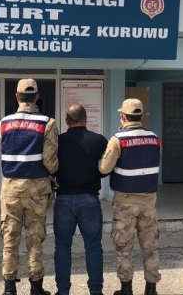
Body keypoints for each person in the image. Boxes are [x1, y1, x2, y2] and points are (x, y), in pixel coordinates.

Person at [0, 78, 59, 295]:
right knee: (35, 239)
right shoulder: (48, 123)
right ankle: (36, 288)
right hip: (37, 190)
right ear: (37, 97)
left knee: (10, 239)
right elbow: (50, 161)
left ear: (17, 97)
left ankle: (9, 289)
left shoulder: (4, 123)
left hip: (11, 189)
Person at [98, 99, 161, 295]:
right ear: (141, 116)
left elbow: (104, 168)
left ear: (123, 117)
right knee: (150, 248)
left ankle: (126, 289)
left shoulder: (118, 139)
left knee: (124, 248)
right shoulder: (154, 138)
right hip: (149, 203)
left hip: (125, 203)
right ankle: (151, 289)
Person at [53, 105, 109, 295]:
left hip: (64, 198)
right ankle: (96, 291)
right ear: (86, 119)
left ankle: (63, 291)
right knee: (93, 246)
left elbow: (50, 165)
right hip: (90, 199)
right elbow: (107, 167)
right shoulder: (99, 140)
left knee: (62, 247)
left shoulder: (58, 141)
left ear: (66, 121)